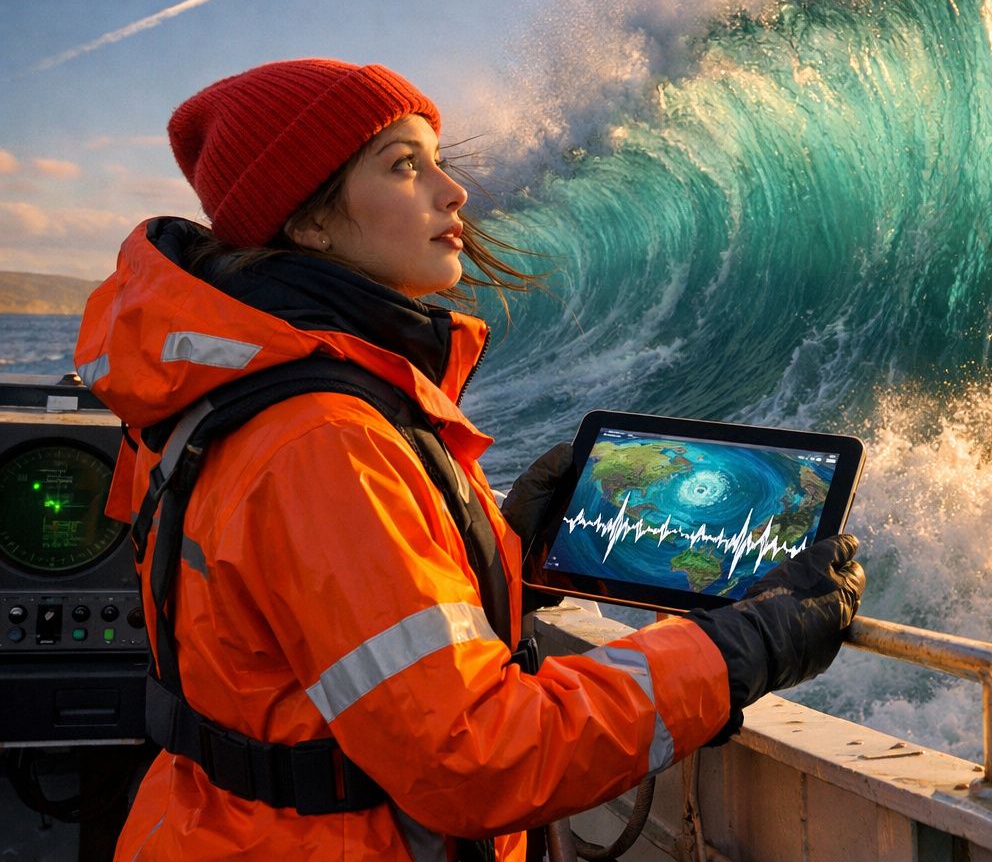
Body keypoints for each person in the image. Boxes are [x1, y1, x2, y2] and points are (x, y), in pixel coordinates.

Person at [75, 58, 865, 861]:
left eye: (439, 162)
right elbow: (476, 758)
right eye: (404, 166)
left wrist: (499, 560)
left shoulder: (231, 397)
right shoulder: (325, 441)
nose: (453, 192)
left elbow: (298, 637)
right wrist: (736, 652)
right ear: (307, 221)